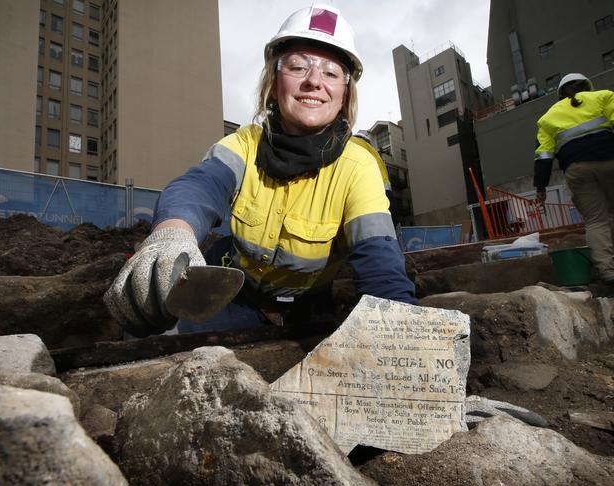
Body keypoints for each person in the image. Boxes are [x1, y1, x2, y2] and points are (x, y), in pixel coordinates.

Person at [105, 4, 416, 337]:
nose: (313, 81)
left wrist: (397, 333)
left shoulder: (359, 166)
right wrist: (172, 234)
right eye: (298, 66)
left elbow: (379, 257)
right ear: (275, 81)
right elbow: (199, 186)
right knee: (149, 326)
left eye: (331, 72)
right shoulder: (244, 144)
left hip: (308, 307)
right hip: (234, 293)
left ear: (344, 93)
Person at [534, 73, 614, 284]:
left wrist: (541, 187)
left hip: (577, 170)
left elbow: (544, 156)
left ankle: (608, 271)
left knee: (596, 220)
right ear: (587, 86)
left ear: (560, 94)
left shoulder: (548, 117)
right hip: (611, 160)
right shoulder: (604, 97)